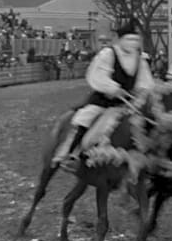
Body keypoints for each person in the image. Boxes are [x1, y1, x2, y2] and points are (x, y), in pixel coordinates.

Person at [51, 19, 154, 167]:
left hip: (127, 104)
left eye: (136, 39)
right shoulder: (108, 54)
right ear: (121, 40)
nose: (133, 42)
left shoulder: (140, 59)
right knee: (85, 119)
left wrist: (142, 93)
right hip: (103, 101)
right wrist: (112, 88)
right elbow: (96, 75)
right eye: (130, 39)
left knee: (144, 124)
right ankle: (71, 154)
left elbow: (146, 82)